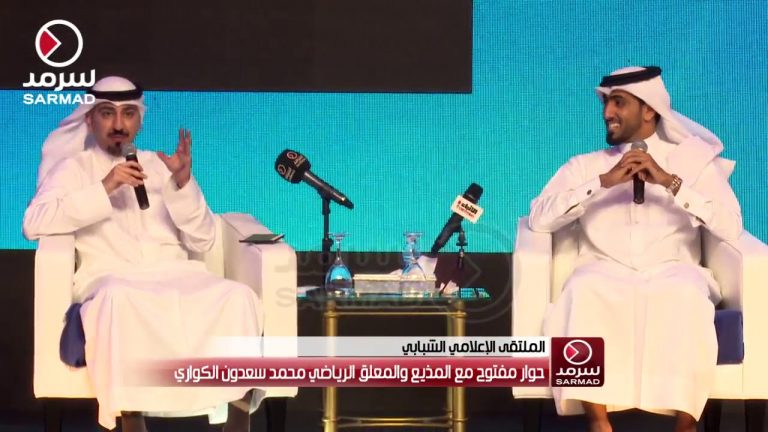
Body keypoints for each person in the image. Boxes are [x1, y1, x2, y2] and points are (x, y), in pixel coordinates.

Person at [23, 76, 264, 432]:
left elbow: (203, 240)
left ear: (140, 120)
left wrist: (183, 184)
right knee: (121, 301)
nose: (118, 124)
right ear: (90, 119)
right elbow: (34, 222)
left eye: (128, 114)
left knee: (238, 297)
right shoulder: (73, 169)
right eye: (107, 113)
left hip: (178, 275)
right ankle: (133, 422)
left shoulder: (160, 165)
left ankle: (239, 418)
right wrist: (106, 186)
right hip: (112, 278)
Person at [529, 66, 742, 432]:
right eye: (605, 103)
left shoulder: (690, 164)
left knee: (686, 295)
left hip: (672, 269)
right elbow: (538, 217)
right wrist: (602, 182)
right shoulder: (586, 165)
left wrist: (670, 183)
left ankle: (686, 426)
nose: (607, 112)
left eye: (618, 102)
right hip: (604, 268)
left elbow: (730, 225)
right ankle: (599, 423)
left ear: (648, 109)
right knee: (584, 289)